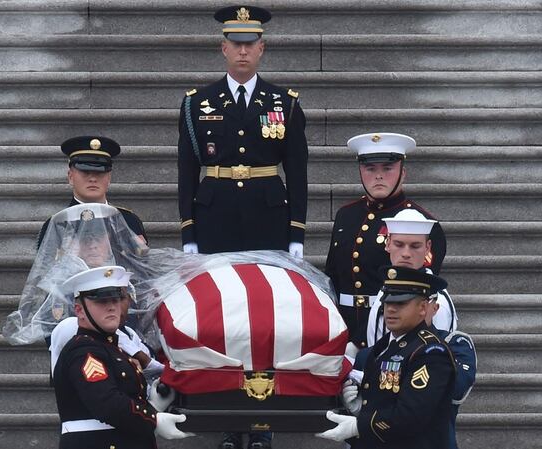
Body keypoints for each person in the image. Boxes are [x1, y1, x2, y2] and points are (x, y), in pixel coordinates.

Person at [177, 4, 308, 258]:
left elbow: (296, 172)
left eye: (250, 44)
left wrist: (297, 233)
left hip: (268, 216)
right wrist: (188, 231)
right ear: (224, 48)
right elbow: (187, 171)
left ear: (262, 48)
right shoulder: (197, 102)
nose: (243, 51)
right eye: (236, 44)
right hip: (215, 216)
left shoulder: (284, 102)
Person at [325, 132, 447, 351]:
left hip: (388, 329)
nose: (378, 176)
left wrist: (361, 340)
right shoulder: (346, 215)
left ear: (403, 172)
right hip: (341, 327)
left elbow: (417, 288)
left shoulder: (422, 225)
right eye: (370, 169)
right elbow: (332, 278)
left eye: (387, 169)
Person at [53, 265, 192, 448]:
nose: (111, 306)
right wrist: (153, 419)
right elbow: (106, 403)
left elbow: (124, 400)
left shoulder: (113, 347)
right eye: (101, 301)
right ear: (79, 310)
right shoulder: (84, 351)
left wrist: (152, 406)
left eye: (116, 299)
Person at [317, 266, 455, 449]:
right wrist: (360, 410)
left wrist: (359, 425)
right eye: (388, 303)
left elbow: (411, 417)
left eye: (400, 304)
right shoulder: (384, 347)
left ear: (423, 308)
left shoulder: (430, 352)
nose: (390, 309)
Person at [365, 209, 457, 346]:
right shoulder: (386, 288)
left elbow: (437, 354)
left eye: (415, 246)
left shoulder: (436, 299)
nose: (406, 253)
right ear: (388, 243)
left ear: (427, 247)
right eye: (399, 244)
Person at [37, 135, 147, 249]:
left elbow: (140, 265)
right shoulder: (58, 224)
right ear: (70, 177)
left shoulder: (128, 220)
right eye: (85, 172)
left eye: (99, 172)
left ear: (109, 178)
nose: (93, 179)